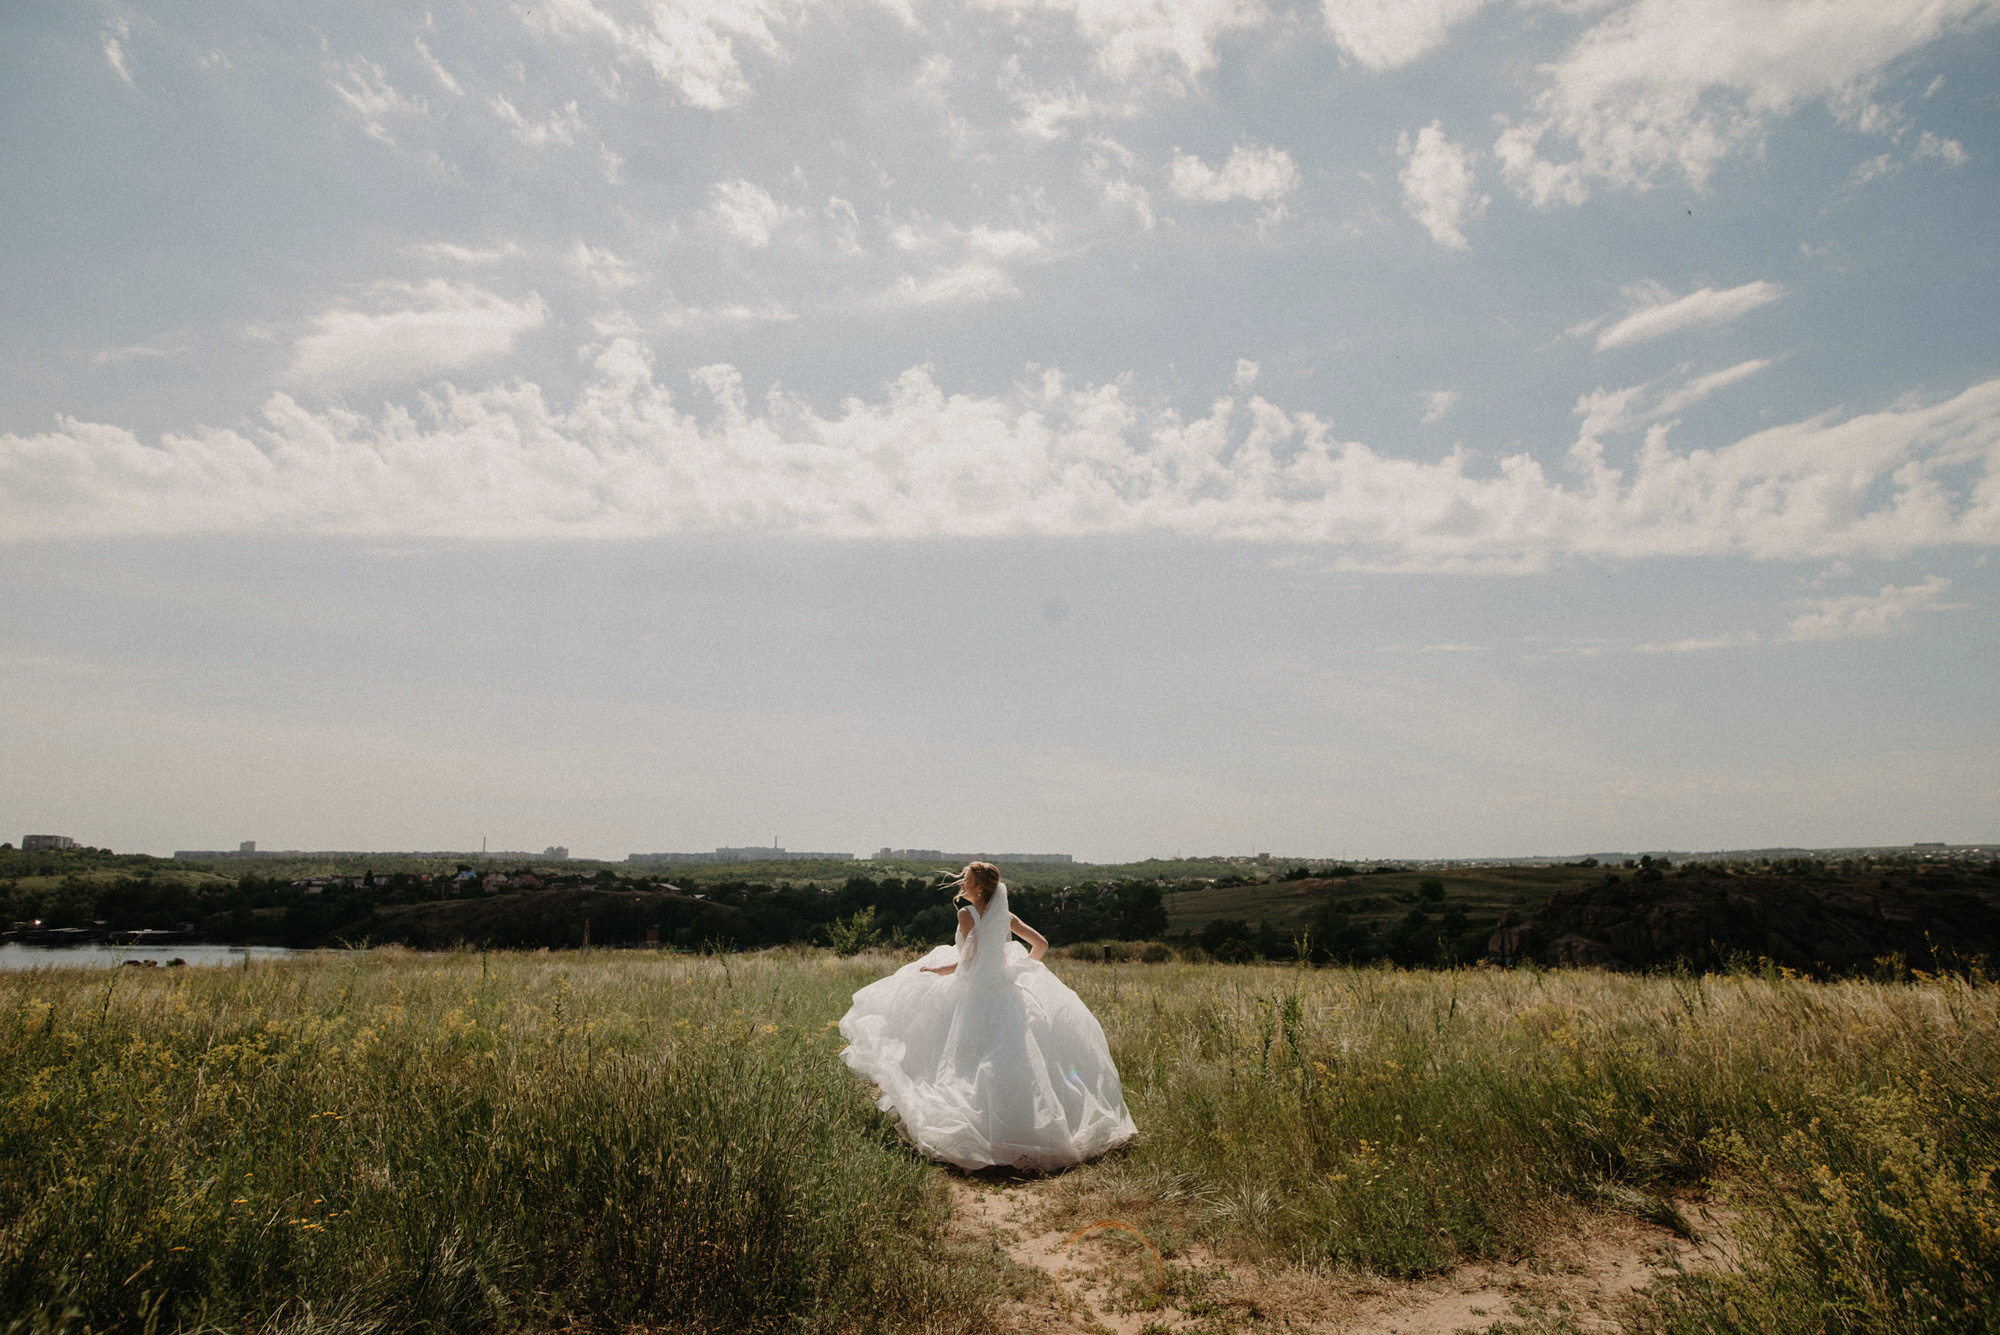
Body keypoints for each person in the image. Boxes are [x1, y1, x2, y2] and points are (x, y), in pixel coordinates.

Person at [838, 861, 1137, 1171]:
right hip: (1005, 992)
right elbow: (1041, 945)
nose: (960, 883)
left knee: (964, 1059)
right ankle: (1023, 1125)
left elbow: (968, 961)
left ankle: (977, 1128)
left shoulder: (966, 914)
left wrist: (938, 970)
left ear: (979, 889)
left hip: (975, 994)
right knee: (1012, 1059)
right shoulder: (1006, 916)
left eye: (965, 879)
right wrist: (1017, 967)